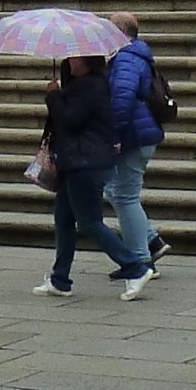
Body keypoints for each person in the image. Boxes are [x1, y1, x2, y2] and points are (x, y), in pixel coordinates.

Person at [37, 54, 149, 300]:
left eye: (74, 58)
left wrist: (54, 96)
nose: (69, 61)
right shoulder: (84, 85)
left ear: (85, 61)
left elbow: (70, 120)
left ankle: (135, 267)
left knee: (89, 222)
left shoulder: (91, 86)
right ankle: (59, 279)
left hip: (86, 162)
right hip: (76, 161)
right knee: (64, 219)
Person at [107, 12, 168, 283]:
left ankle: (141, 261)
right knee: (117, 192)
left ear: (120, 32)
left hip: (133, 135)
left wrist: (114, 135)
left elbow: (122, 98)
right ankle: (151, 242)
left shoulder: (127, 58)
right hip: (138, 132)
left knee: (124, 197)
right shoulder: (131, 56)